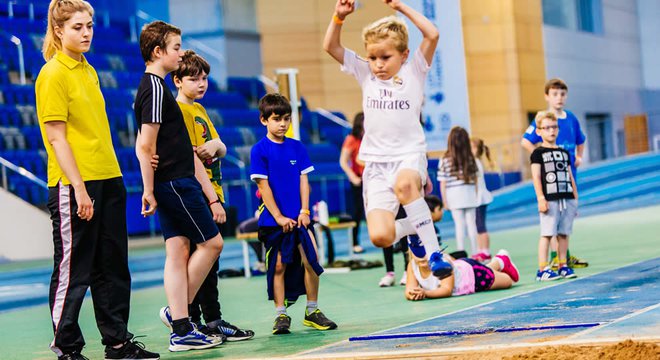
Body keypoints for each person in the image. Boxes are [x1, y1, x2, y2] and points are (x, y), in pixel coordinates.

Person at [35, 1, 160, 359]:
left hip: (109, 177)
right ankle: (67, 348)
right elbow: (57, 138)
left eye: (89, 25)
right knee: (73, 270)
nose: (86, 32)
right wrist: (78, 189)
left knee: (113, 266)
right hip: (75, 183)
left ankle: (118, 343)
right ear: (59, 30)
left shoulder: (88, 70)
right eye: (77, 27)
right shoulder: (52, 74)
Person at [323, 0, 452, 279]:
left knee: (405, 185)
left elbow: (432, 34)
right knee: (381, 236)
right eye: (373, 58)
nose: (378, 64)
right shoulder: (365, 73)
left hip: (408, 155)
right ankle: (417, 227)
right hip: (376, 166)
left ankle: (434, 253)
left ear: (404, 55)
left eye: (385, 57)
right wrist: (338, 17)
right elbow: (331, 47)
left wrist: (401, 7)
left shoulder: (414, 71)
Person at [134, 20, 223, 352]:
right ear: (158, 52)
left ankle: (181, 328)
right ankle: (179, 317)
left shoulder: (149, 88)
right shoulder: (156, 89)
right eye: (175, 47)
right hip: (175, 182)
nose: (181, 51)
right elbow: (145, 145)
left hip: (170, 179)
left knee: (177, 251)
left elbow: (144, 142)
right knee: (212, 244)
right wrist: (147, 187)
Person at [163, 49, 254, 341]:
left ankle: (208, 319)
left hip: (212, 186)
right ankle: (194, 317)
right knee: (201, 254)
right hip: (196, 191)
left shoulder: (199, 110)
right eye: (193, 79)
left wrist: (215, 145)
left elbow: (219, 147)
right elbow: (190, 156)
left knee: (209, 261)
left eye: (204, 78)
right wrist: (210, 197)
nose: (201, 84)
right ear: (177, 80)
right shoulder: (180, 111)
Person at [250, 93, 338, 335]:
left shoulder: (297, 147)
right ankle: (281, 315)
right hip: (273, 222)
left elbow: (304, 181)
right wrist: (279, 217)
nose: (282, 124)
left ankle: (312, 311)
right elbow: (263, 187)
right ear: (263, 120)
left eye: (286, 118)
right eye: (277, 119)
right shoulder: (259, 150)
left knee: (311, 260)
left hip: (300, 219)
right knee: (278, 266)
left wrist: (305, 210)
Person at [521, 78, 588, 270]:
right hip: (551, 178)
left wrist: (579, 156)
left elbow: (580, 139)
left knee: (566, 219)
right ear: (547, 96)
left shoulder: (571, 118)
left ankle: (563, 258)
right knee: (552, 221)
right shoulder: (543, 120)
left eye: (562, 94)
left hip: (567, 174)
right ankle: (553, 257)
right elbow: (525, 140)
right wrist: (542, 155)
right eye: (555, 94)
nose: (559, 98)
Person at [530, 111, 579, 281]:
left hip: (567, 198)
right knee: (547, 233)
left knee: (564, 233)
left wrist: (575, 199)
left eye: (554, 127)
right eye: (547, 128)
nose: (551, 131)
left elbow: (569, 175)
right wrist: (541, 198)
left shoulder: (564, 153)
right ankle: (542, 269)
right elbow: (536, 177)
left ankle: (563, 265)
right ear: (539, 131)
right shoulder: (537, 153)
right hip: (549, 199)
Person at [405, 249, 519, 301]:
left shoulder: (443, 263)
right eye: (417, 253)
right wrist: (412, 294)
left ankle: (501, 261)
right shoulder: (412, 265)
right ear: (411, 252)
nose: (421, 256)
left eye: (425, 251)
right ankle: (498, 261)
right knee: (489, 270)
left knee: (508, 281)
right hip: (463, 272)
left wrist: (425, 293)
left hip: (473, 275)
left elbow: (446, 290)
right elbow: (409, 288)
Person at [379, 195, 443, 287]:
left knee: (406, 238)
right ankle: (390, 273)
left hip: (403, 202)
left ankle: (407, 271)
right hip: (387, 203)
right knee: (386, 235)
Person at [437, 127, 479, 256]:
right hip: (469, 194)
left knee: (459, 225)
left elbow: (443, 182)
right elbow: (475, 178)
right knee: (472, 225)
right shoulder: (471, 158)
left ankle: (461, 252)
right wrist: (475, 195)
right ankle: (475, 253)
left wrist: (444, 201)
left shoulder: (445, 159)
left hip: (454, 196)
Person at [339, 112, 366, 254]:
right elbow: (343, 161)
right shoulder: (351, 139)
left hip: (371, 178)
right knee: (357, 212)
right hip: (358, 179)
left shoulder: (368, 138)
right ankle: (355, 242)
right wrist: (352, 177)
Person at [470, 137, 495, 262]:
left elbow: (474, 183)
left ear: (477, 150)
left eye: (472, 147)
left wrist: (472, 197)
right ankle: (481, 250)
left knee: (480, 226)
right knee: (477, 225)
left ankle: (486, 251)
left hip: (479, 198)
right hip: (478, 198)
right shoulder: (475, 161)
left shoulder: (474, 162)